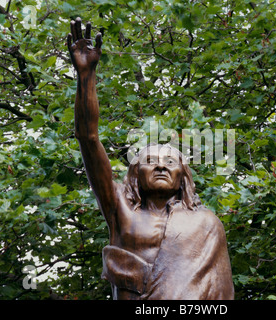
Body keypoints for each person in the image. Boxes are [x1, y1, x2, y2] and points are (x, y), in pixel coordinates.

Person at [67, 17, 234, 300]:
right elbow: (88, 138)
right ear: (136, 174)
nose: (160, 165)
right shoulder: (121, 210)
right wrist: (86, 77)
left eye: (170, 162)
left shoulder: (206, 222)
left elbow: (220, 292)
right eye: (150, 160)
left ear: (183, 176)